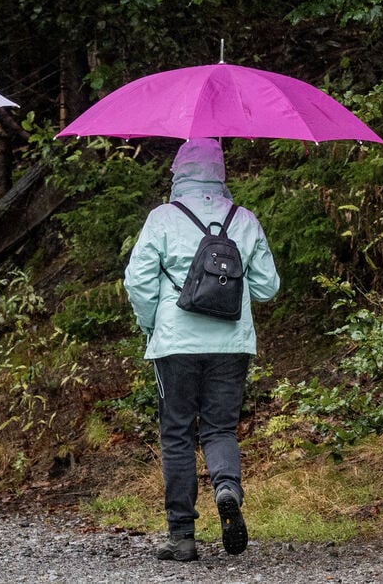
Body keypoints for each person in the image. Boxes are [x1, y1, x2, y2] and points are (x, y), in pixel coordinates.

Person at [123, 138, 280, 562]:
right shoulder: (244, 219)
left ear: (178, 172)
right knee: (219, 428)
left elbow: (137, 281)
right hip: (231, 343)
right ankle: (227, 488)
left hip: (175, 343)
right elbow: (268, 287)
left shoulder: (162, 218)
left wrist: (151, 323)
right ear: (221, 172)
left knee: (176, 433)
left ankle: (182, 537)